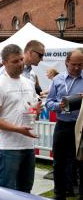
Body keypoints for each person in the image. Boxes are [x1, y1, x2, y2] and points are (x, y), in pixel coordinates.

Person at [0, 44, 41, 193]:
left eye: (22, 59)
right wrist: (17, 129)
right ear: (4, 63)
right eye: (15, 61)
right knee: (6, 193)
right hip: (8, 147)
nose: (20, 64)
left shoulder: (29, 83)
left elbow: (31, 109)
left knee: (25, 191)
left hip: (28, 144)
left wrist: (36, 111)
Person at [46, 48, 83, 200]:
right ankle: (59, 194)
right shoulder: (58, 80)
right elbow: (49, 102)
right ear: (67, 62)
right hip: (63, 124)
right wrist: (59, 106)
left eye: (80, 64)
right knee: (59, 162)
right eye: (74, 64)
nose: (77, 67)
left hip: (81, 126)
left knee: (81, 162)